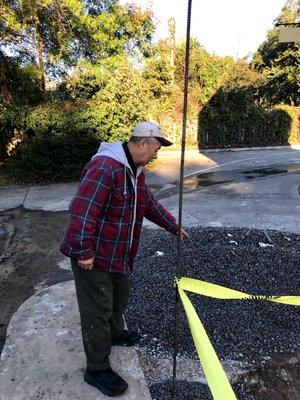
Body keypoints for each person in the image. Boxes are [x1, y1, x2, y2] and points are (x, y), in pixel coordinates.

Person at [60, 121, 189, 397]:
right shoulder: (105, 167)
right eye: (155, 148)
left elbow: (148, 204)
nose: (156, 155)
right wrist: (83, 252)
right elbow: (83, 210)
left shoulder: (135, 171)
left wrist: (173, 226)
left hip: (116, 253)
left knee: (119, 296)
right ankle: (96, 368)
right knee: (98, 309)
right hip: (93, 256)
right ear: (142, 144)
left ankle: (115, 333)